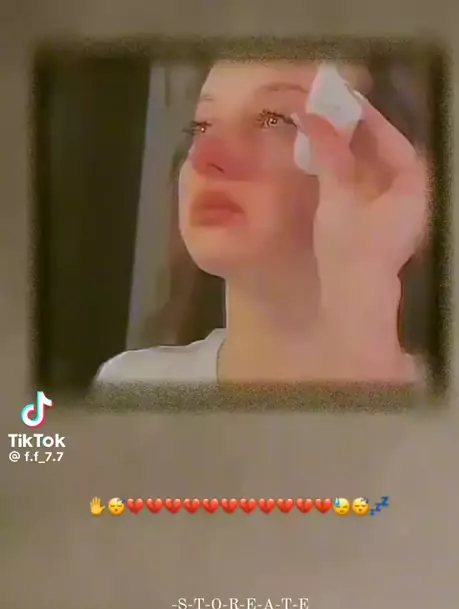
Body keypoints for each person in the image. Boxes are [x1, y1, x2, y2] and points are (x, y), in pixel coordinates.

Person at [95, 57, 430, 387]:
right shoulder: (129, 384)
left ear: (380, 176)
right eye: (202, 125)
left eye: (275, 120)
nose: (205, 157)